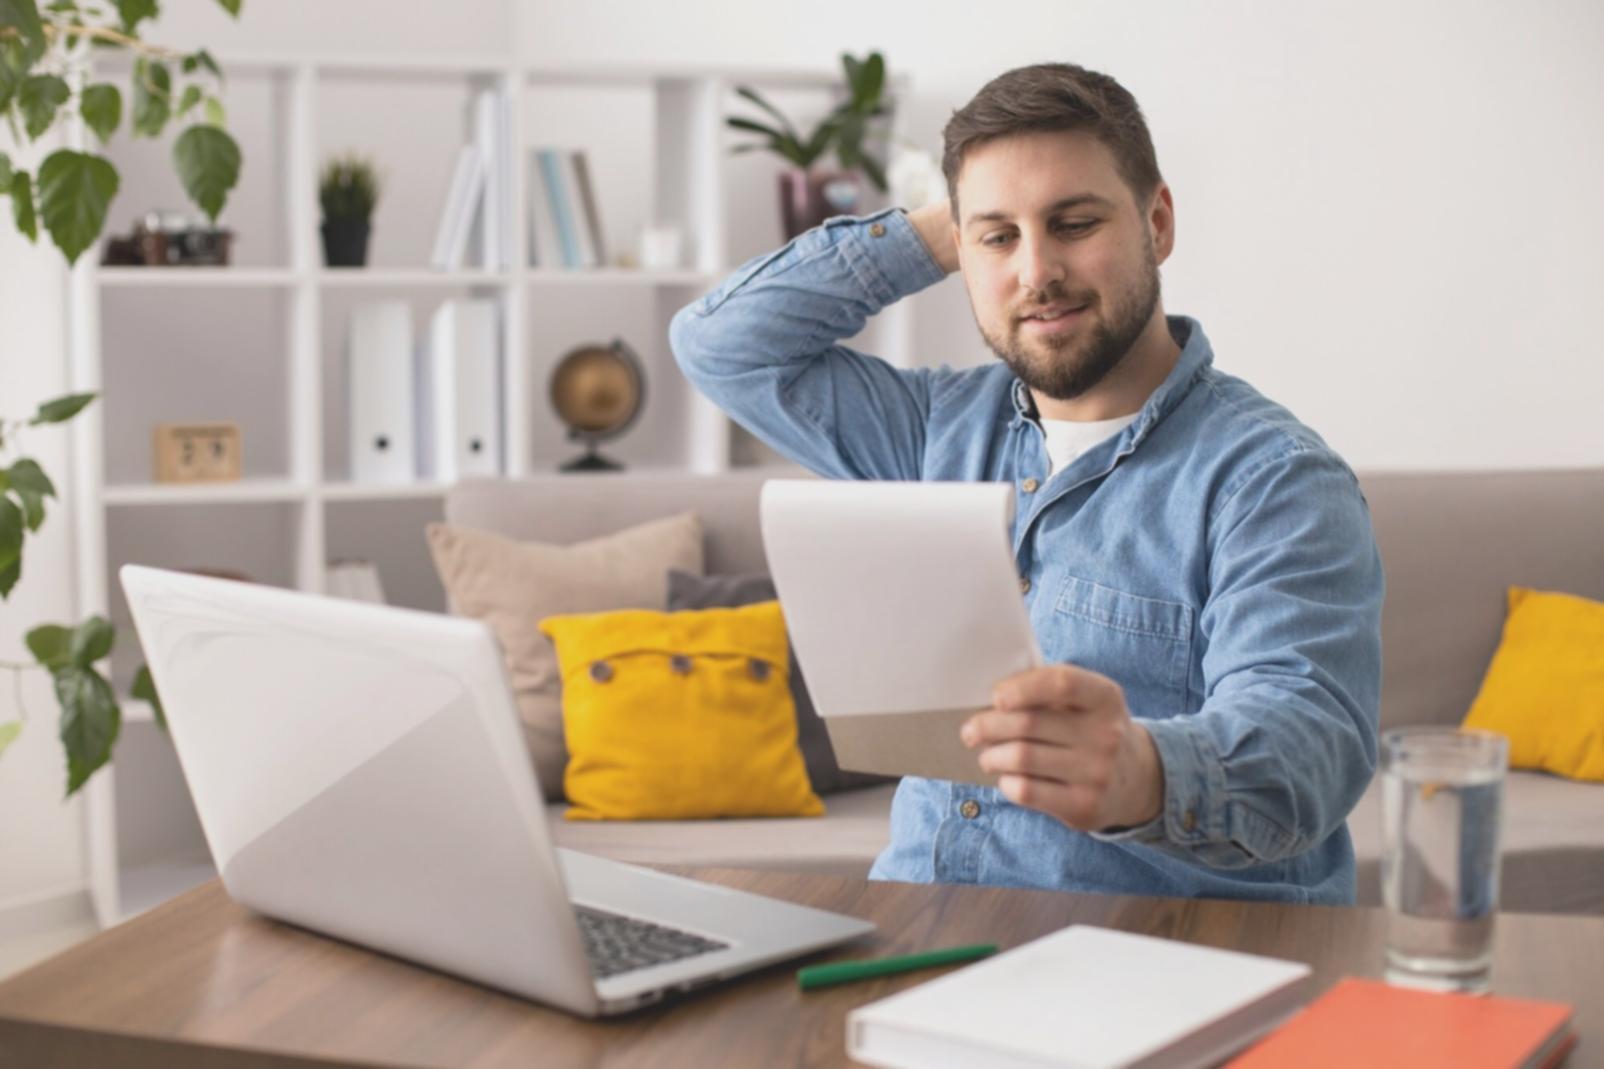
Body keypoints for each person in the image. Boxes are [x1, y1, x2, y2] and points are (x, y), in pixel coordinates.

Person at [669, 62, 1383, 905]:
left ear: (1157, 222)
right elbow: (722, 346)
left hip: (1160, 957)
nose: (1036, 271)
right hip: (921, 930)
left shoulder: (1273, 480)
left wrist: (1143, 774)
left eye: (1074, 222)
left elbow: (1310, 742)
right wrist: (951, 227)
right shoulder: (933, 431)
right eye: (1000, 239)